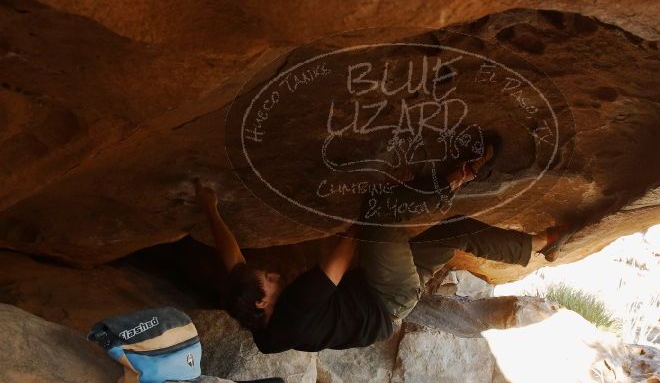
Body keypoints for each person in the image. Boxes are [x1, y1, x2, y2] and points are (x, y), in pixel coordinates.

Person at [195, 142, 574, 353]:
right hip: (387, 295)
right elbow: (343, 253)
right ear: (262, 302)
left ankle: (540, 244)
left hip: (385, 299)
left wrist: (210, 209)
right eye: (269, 279)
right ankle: (449, 182)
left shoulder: (263, 330)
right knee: (378, 211)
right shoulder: (297, 308)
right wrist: (378, 200)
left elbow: (234, 264)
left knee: (453, 232)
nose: (274, 274)